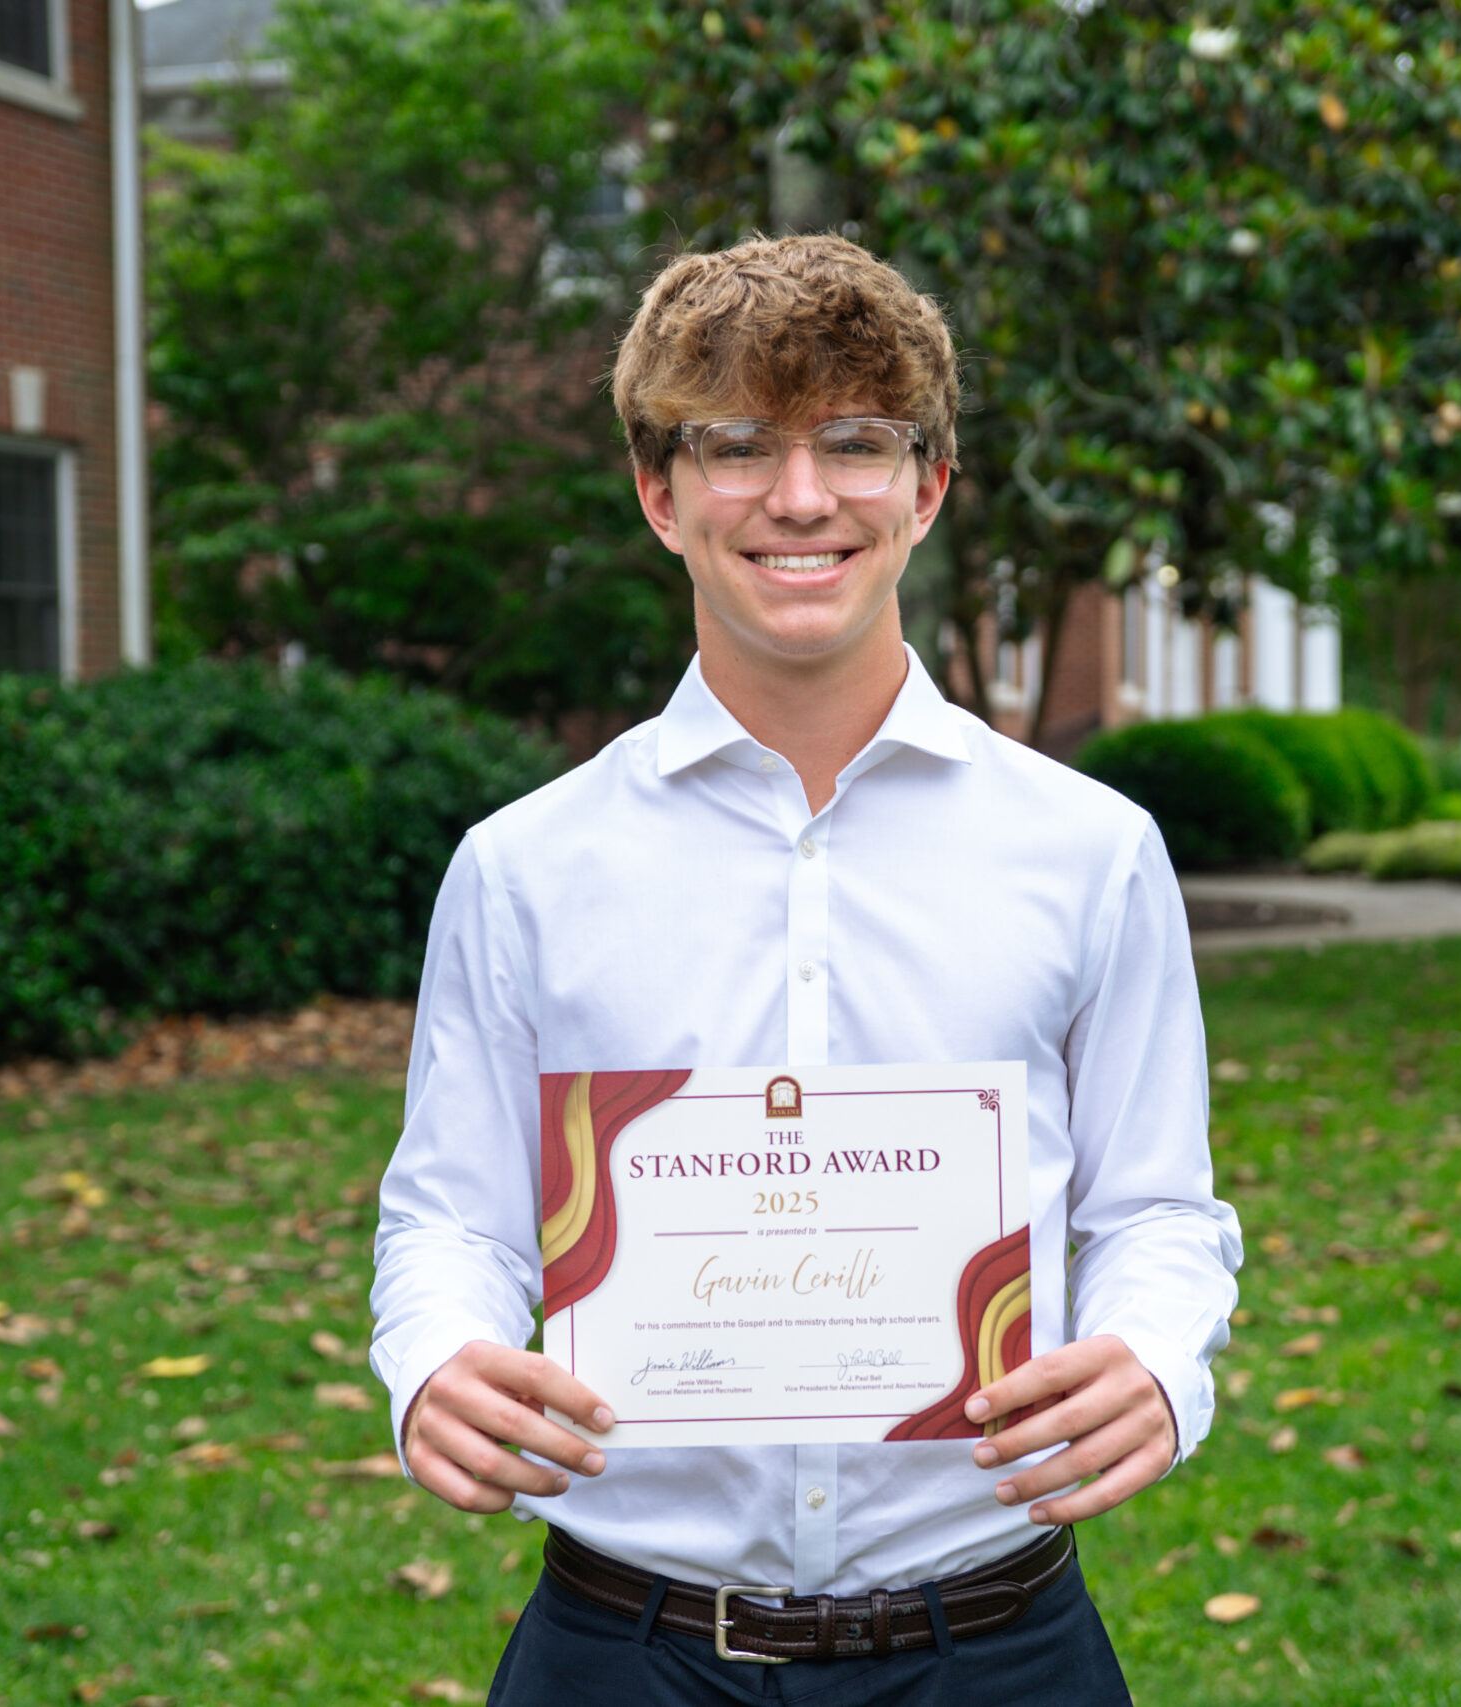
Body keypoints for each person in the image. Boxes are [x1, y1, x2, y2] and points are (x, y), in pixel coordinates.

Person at [368, 234, 1242, 1705]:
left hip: (998, 1646)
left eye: (855, 442)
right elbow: (453, 1219)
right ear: (659, 492)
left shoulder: (1089, 851)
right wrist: (438, 1359)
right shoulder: (523, 870)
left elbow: (1155, 1205)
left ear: (928, 485)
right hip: (624, 1651)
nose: (799, 497)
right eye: (734, 445)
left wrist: (1153, 1354)